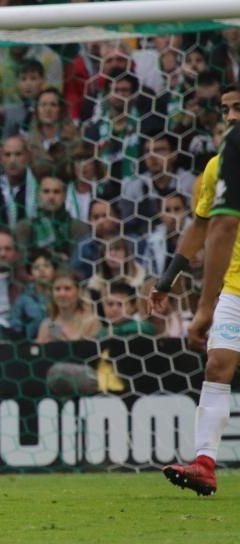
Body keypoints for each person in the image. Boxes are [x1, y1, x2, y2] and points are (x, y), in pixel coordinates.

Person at [154, 85, 240, 496]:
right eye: (226, 109)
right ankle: (205, 462)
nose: (231, 117)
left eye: (239, 107)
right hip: (236, 286)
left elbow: (222, 227)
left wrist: (203, 307)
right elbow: (203, 225)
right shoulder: (217, 167)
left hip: (224, 291)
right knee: (217, 365)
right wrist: (166, 280)